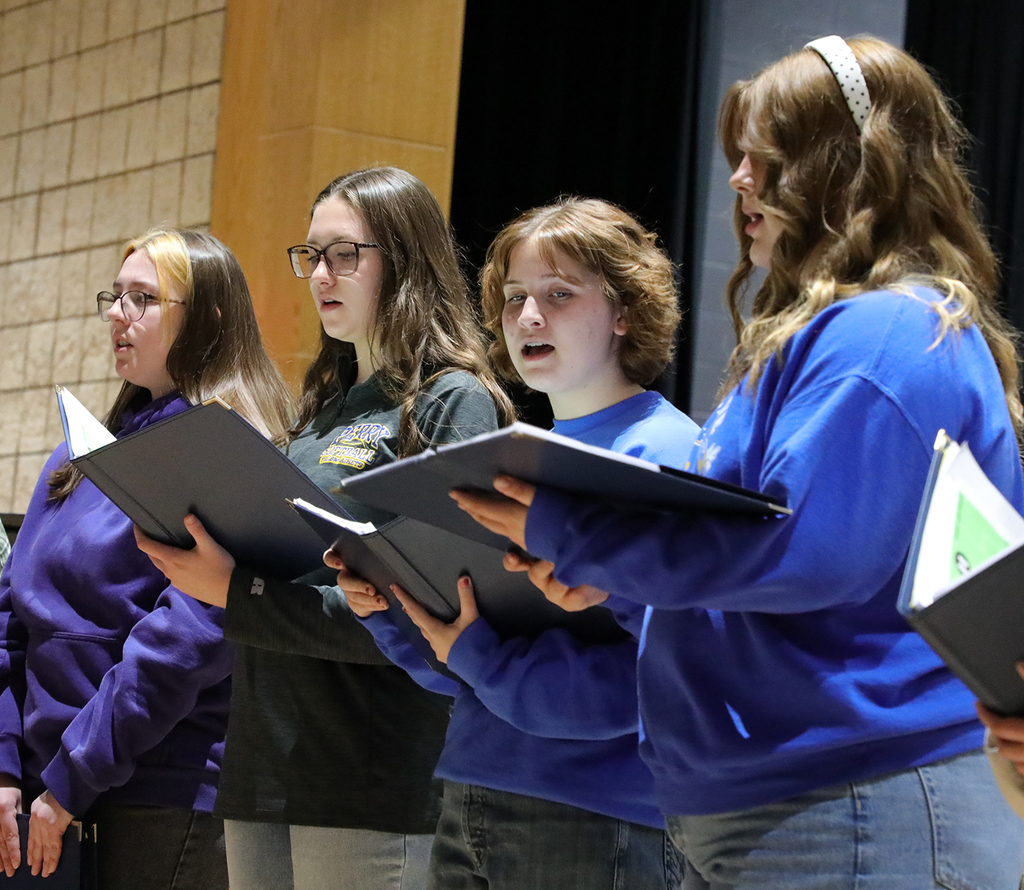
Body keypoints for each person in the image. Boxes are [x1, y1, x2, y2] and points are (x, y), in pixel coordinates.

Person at [451, 36, 1024, 888]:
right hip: (787, 807)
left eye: (767, 156)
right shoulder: (838, 333)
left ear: (849, 162)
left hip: (852, 801)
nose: (740, 179)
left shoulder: (888, 331)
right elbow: (761, 585)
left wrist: (583, 535)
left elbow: (800, 555)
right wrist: (619, 586)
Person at [137, 167, 516, 890]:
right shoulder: (318, 413)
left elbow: (427, 620)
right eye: (311, 255)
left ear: (404, 260)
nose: (320, 275)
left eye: (344, 255)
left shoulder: (450, 402)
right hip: (263, 767)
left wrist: (237, 593)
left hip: (370, 775)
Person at [338, 197, 697, 889]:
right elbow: (462, 665)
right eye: (513, 298)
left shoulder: (666, 453)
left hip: (599, 810)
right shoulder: (517, 460)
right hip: (473, 785)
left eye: (559, 295)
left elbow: (660, 677)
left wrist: (485, 660)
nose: (528, 316)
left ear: (624, 311)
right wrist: (387, 609)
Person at [0, 229, 294, 888]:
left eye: (143, 298)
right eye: (115, 296)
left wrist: (71, 777)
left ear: (207, 319)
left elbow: (183, 644)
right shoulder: (77, 456)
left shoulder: (224, 452)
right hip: (45, 789)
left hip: (157, 792)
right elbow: (10, 615)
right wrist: (4, 764)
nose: (117, 313)